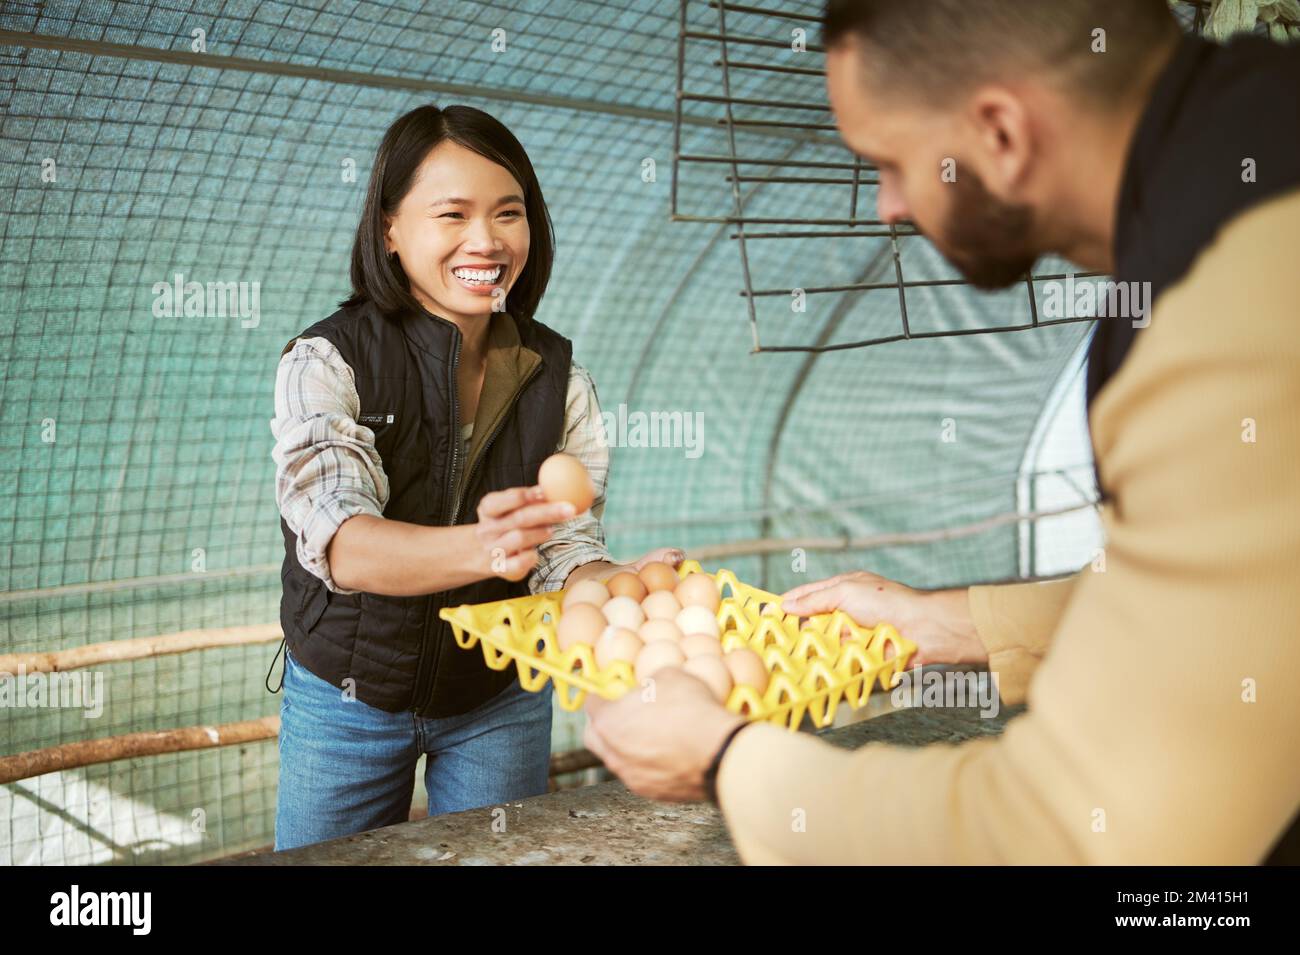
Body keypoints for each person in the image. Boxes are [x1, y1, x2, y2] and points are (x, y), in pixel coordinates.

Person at [583, 0, 1300, 863]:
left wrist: (729, 759)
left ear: (999, 132)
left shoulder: (1231, 304)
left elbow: (1081, 834)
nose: (887, 207)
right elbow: (1225, 600)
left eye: (890, 162)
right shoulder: (1253, 160)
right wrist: (949, 625)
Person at [269, 104, 680, 851]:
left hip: (497, 697)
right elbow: (343, 545)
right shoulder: (326, 360)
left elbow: (563, 547)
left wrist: (620, 585)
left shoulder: (559, 376)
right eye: (452, 214)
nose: (486, 241)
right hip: (347, 697)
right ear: (390, 229)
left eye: (508, 214)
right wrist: (486, 549)